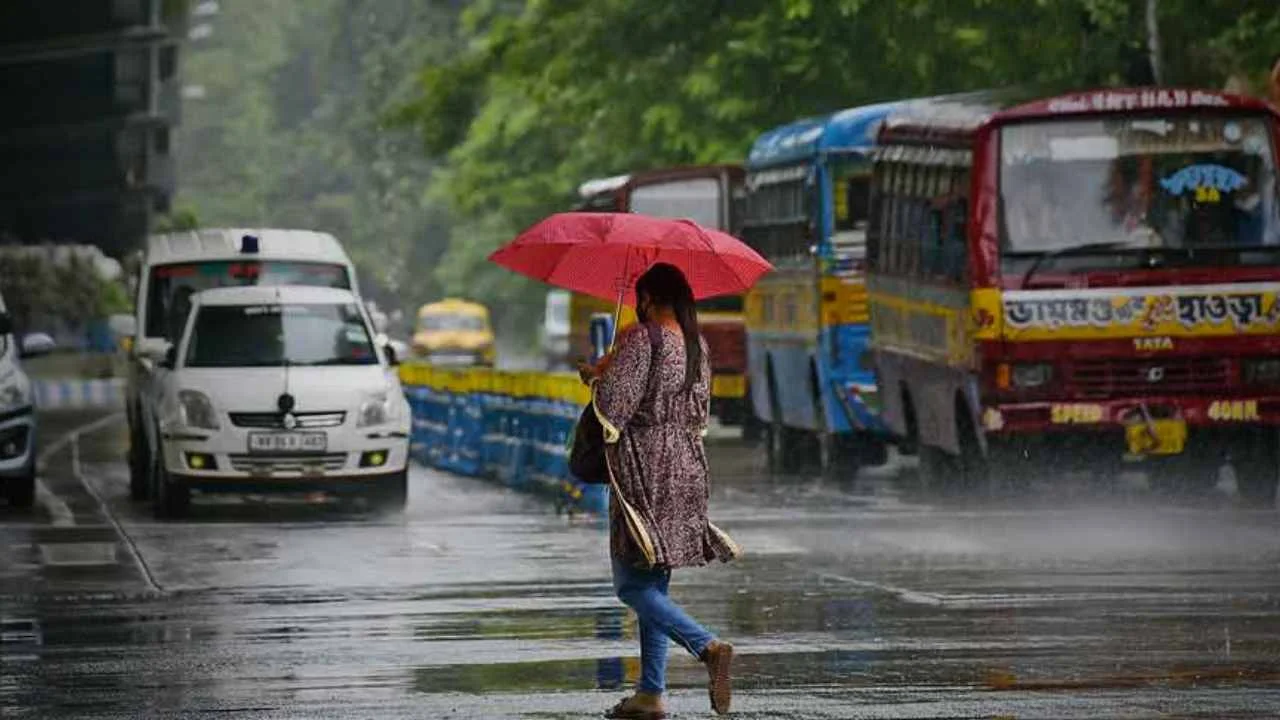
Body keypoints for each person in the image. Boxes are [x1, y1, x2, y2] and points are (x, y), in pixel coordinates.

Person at [580, 263, 738, 719]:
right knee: (654, 581)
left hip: (643, 469)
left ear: (647, 297)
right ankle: (650, 693)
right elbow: (699, 409)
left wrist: (598, 377)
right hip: (687, 466)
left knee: (630, 584)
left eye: (638, 297)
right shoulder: (695, 344)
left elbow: (614, 410)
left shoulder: (640, 338)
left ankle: (707, 646)